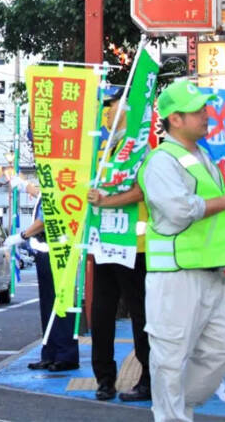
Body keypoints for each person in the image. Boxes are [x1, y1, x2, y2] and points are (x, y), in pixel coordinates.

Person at [137, 79, 225, 422]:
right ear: (175, 119)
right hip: (176, 275)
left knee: (222, 350)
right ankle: (171, 412)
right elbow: (179, 211)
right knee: (171, 356)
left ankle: (175, 407)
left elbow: (206, 207)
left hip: (211, 271)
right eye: (198, 111)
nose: (207, 116)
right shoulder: (161, 160)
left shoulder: (202, 156)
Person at [85, 87, 151, 402]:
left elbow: (141, 191)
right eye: (106, 106)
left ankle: (148, 378)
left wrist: (108, 201)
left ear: (124, 109)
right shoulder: (103, 151)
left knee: (141, 314)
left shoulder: (140, 148)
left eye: (110, 105)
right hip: (104, 244)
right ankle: (104, 380)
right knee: (101, 313)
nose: (106, 111)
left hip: (135, 246)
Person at [6, 179, 79, 372]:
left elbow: (45, 219)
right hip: (46, 252)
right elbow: (38, 192)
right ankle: (50, 352)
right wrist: (24, 185)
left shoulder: (61, 184)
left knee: (61, 303)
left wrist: (22, 236)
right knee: (49, 304)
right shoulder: (49, 186)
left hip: (58, 253)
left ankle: (65, 354)